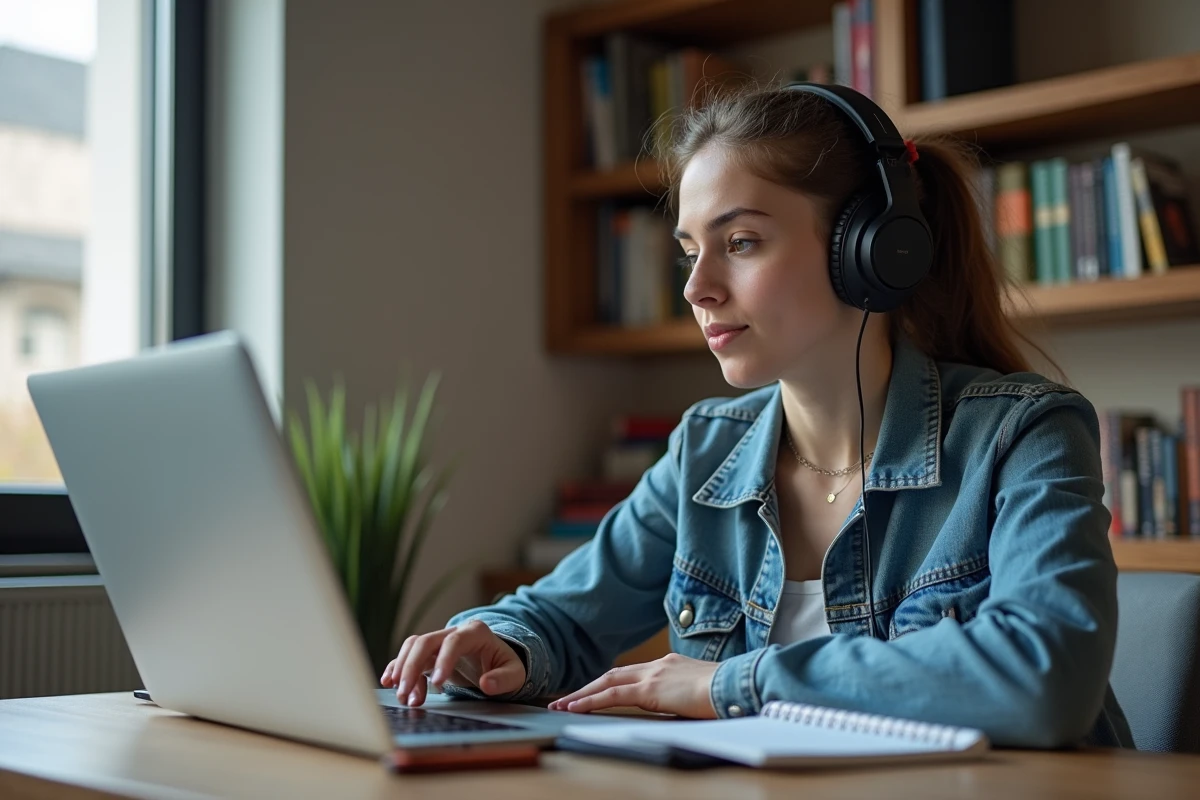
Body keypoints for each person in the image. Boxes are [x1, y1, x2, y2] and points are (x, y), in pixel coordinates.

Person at [380, 82, 1134, 749]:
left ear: (871, 252)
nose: (697, 289)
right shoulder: (708, 448)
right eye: (688, 253)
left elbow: (1048, 677)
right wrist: (498, 645)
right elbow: (563, 620)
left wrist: (727, 683)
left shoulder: (1025, 433)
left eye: (740, 242)